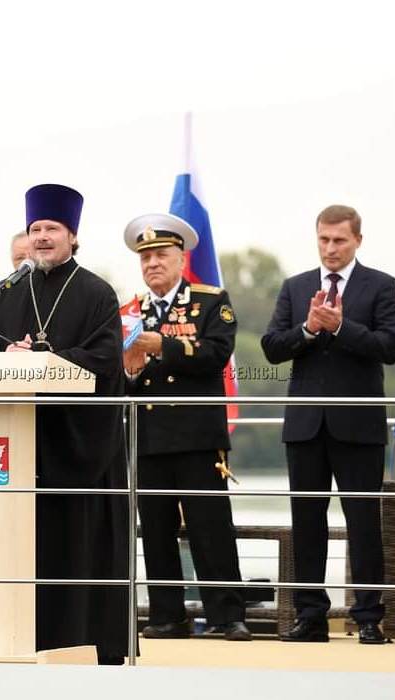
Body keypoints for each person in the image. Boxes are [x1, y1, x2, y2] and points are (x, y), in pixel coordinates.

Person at [0, 183, 129, 664]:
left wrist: (43, 359)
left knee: (76, 551)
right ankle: (12, 638)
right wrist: (6, 354)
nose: (41, 237)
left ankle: (83, 643)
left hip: (77, 447)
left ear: (72, 237)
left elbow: (106, 361)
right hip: (15, 447)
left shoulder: (97, 293)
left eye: (51, 229)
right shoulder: (4, 292)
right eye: (35, 228)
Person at [261, 204, 395, 644]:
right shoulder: (295, 286)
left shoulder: (382, 285)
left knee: (364, 524)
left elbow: (390, 347)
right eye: (323, 239)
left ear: (358, 240)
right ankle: (310, 617)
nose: (330, 248)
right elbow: (271, 347)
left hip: (358, 425)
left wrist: (342, 327)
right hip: (305, 426)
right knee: (307, 523)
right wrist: (307, 329)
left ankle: (368, 618)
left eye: (339, 240)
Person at [122, 212, 251, 642]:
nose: (152, 264)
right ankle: (167, 616)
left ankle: (227, 616)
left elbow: (217, 353)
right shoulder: (129, 311)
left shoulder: (211, 301)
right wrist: (130, 369)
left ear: (181, 259)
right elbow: (120, 378)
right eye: (145, 258)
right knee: (156, 532)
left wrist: (164, 345)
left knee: (210, 529)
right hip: (149, 437)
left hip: (197, 436)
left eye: (161, 255)